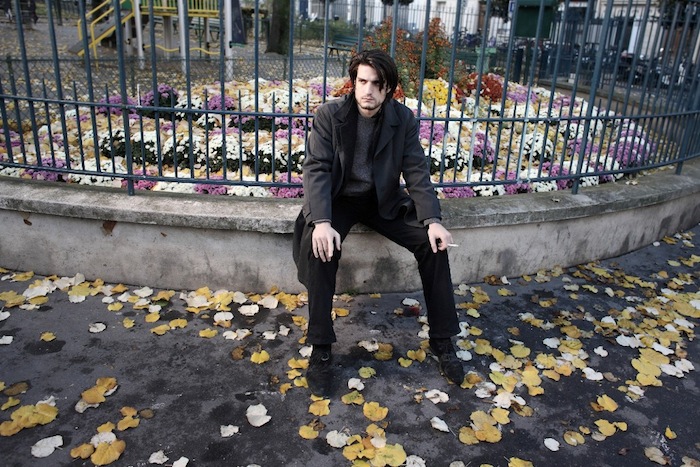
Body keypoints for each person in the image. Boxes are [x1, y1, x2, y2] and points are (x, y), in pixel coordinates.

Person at [292, 49, 464, 397]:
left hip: (381, 200)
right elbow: (317, 169)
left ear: (389, 89)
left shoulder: (402, 119)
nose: (367, 90)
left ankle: (443, 339)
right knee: (319, 247)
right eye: (362, 82)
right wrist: (321, 221)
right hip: (338, 200)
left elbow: (416, 170)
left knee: (432, 245)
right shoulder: (329, 115)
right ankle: (321, 348)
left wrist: (432, 219)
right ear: (353, 82)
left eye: (376, 84)